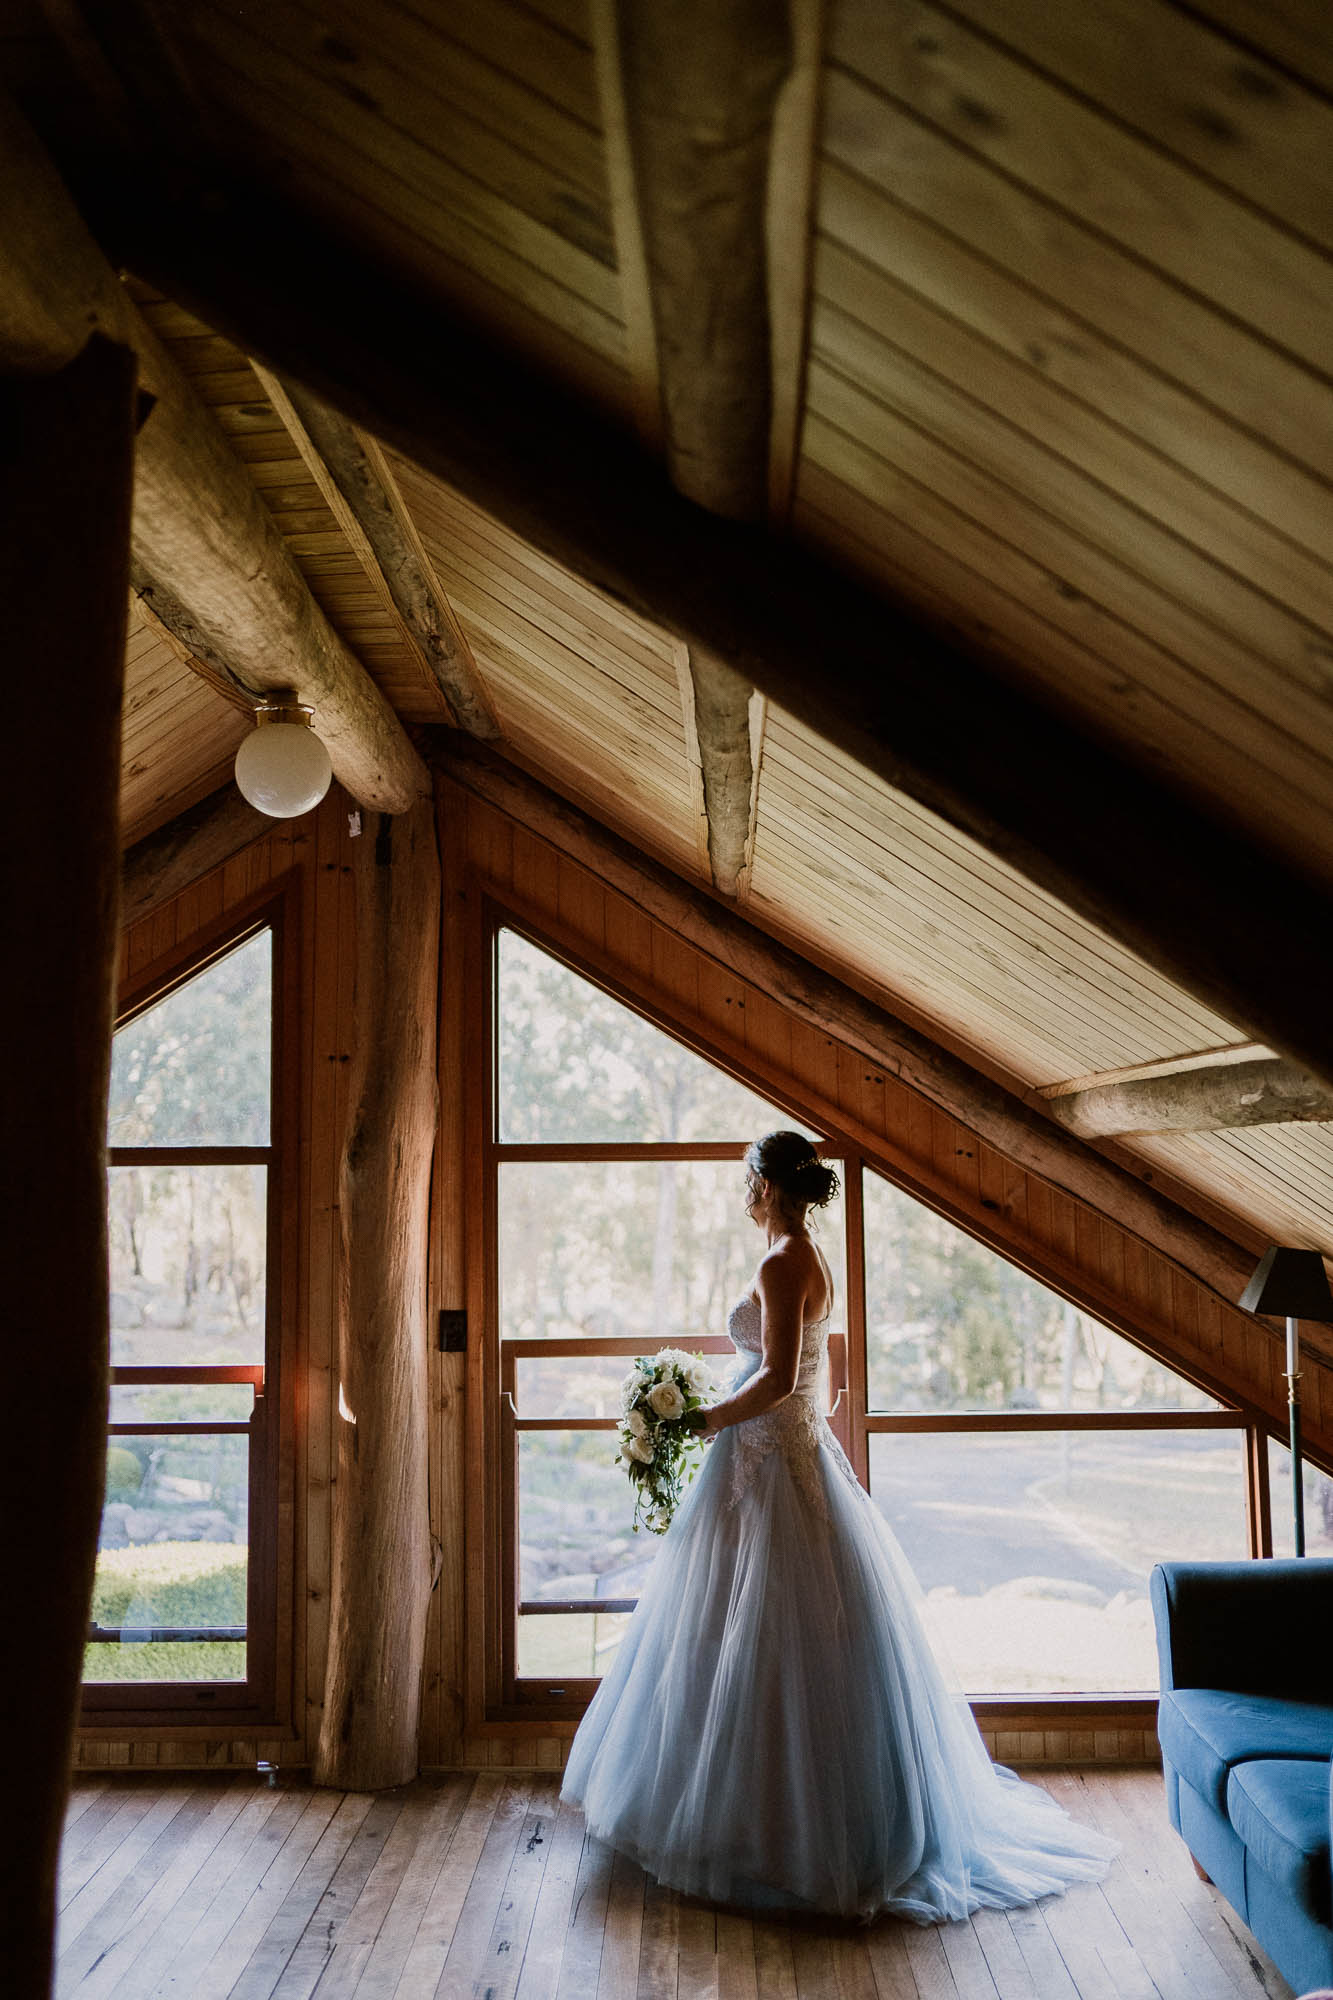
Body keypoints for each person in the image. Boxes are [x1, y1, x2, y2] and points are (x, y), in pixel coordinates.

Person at [559, 1130, 1116, 1920]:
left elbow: (781, 1377)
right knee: (768, 1635)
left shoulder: (782, 1259)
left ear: (763, 1187)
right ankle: (778, 1815)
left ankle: (768, 1831)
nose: (742, 1194)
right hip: (786, 1455)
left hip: (766, 1463)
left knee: (759, 1637)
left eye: (745, 1182)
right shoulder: (809, 1257)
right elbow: (819, 1374)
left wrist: (706, 1418)